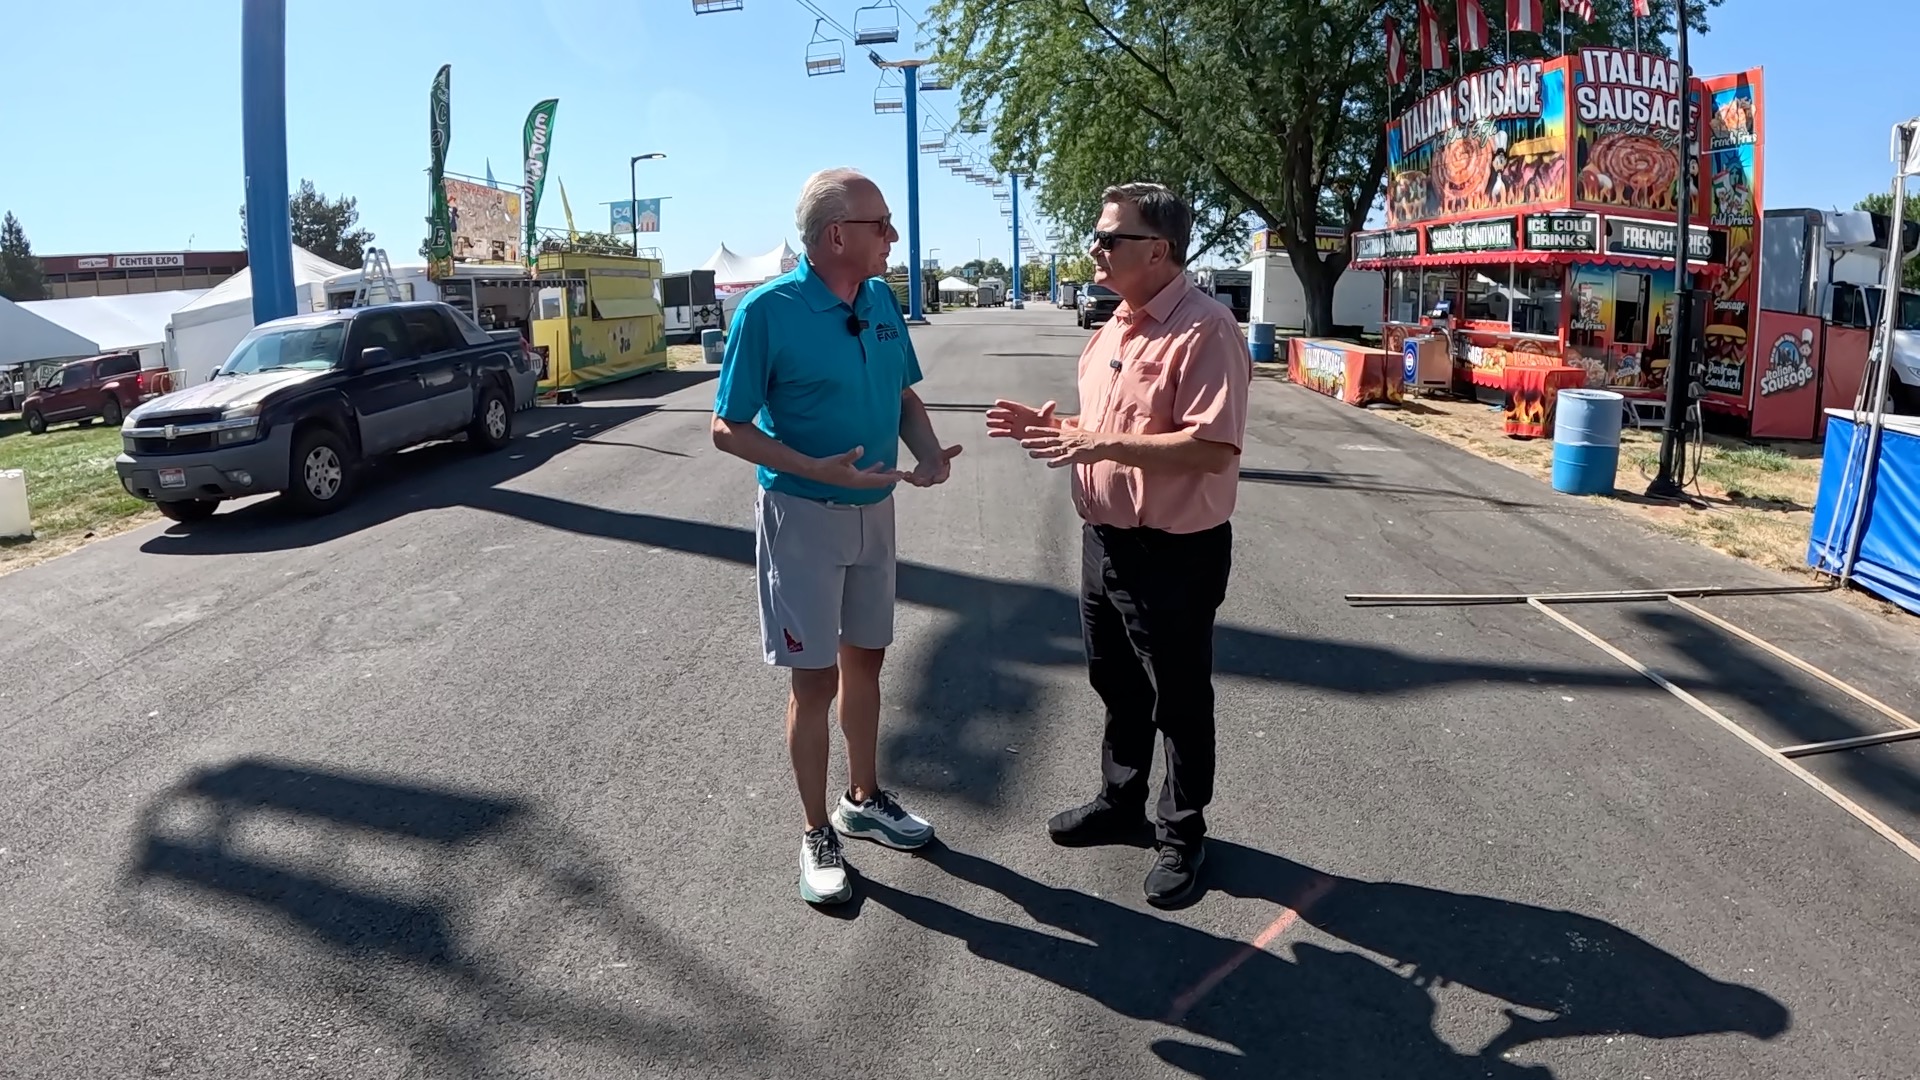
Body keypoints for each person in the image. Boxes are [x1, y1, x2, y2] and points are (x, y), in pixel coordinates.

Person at [985, 181, 1251, 908]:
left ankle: (1183, 831)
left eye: (1110, 239)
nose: (1094, 250)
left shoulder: (1205, 330)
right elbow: (1106, 424)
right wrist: (1060, 426)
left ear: (1158, 250)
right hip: (1103, 541)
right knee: (1117, 682)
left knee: (1179, 697)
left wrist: (1097, 439)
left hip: (1174, 553)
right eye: (1096, 237)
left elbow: (1211, 447)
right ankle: (1122, 800)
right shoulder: (1112, 329)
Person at [711, 167, 964, 906]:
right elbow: (727, 427)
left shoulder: (881, 300)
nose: (893, 237)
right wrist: (807, 464)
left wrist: (925, 450)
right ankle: (817, 831)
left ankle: (864, 798)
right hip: (802, 516)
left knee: (869, 662)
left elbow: (902, 395)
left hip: (876, 512)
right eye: (882, 224)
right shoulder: (767, 312)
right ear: (836, 237)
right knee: (814, 679)